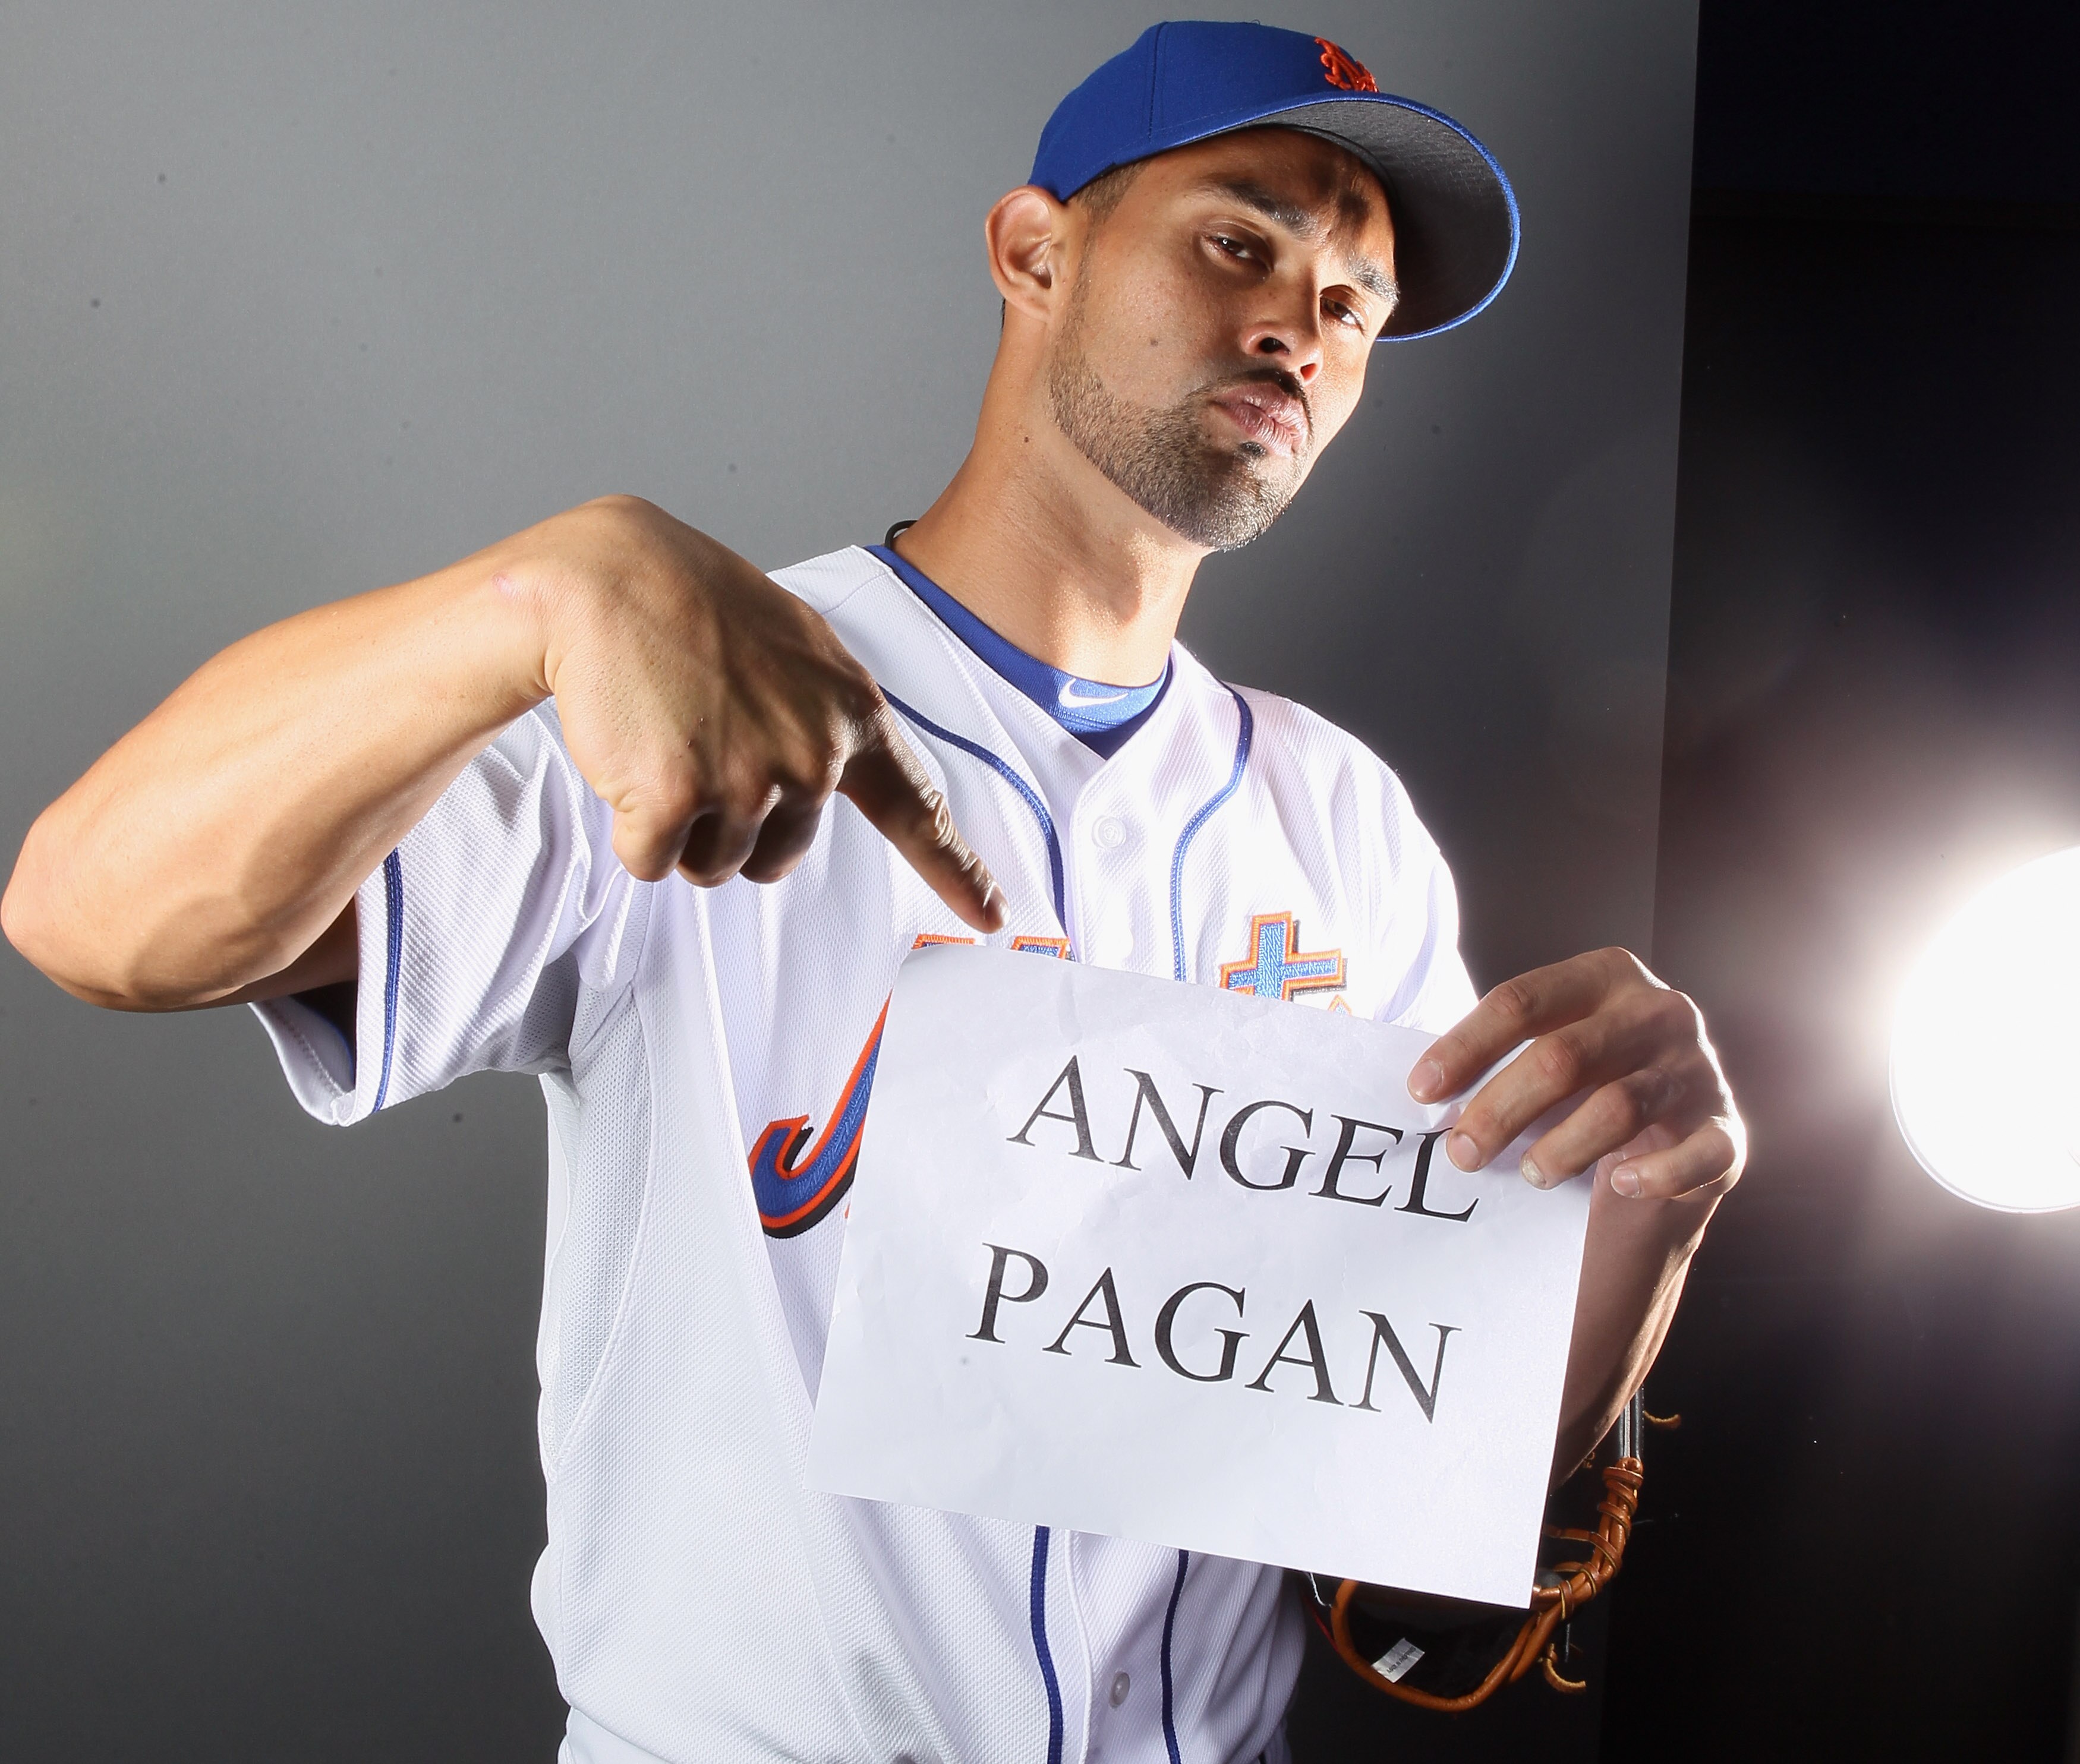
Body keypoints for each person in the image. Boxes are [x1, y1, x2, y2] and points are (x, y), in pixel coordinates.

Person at [1, 20, 1742, 1764]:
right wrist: (532, 595)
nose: (1301, 323)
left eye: (1355, 303)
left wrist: (1649, 1213)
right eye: (1239, 240)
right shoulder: (686, 673)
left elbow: (1440, 1496)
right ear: (1033, 251)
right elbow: (90, 908)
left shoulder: (1341, 819)